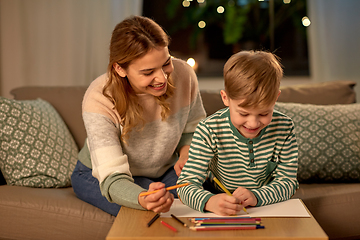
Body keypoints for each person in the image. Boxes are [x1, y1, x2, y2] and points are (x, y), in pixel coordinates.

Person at [71, 15, 206, 216]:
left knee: (200, 200)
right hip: (101, 175)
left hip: (163, 171)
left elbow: (194, 129)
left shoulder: (184, 75)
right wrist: (142, 199)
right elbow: (112, 177)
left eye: (166, 63)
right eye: (148, 72)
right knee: (150, 214)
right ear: (119, 68)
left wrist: (186, 152)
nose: (162, 78)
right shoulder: (99, 98)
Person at [176, 50, 299, 216]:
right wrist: (210, 201)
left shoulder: (284, 127)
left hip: (266, 206)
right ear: (225, 98)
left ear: (276, 98)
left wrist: (257, 196)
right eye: (243, 113)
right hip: (219, 202)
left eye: (264, 113)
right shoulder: (208, 130)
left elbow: (288, 182)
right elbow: (186, 184)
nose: (253, 123)